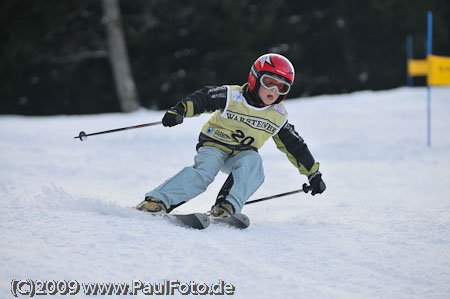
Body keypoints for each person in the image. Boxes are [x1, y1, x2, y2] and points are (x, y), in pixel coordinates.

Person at [136, 53, 326, 217]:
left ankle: (226, 206)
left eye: (281, 87)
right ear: (255, 78)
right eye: (269, 83)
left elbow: (296, 147)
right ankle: (157, 201)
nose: (273, 91)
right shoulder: (232, 96)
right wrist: (181, 110)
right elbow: (204, 98)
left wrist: (313, 174)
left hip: (242, 152)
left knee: (254, 165)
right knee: (204, 174)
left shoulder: (277, 115)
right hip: (214, 145)